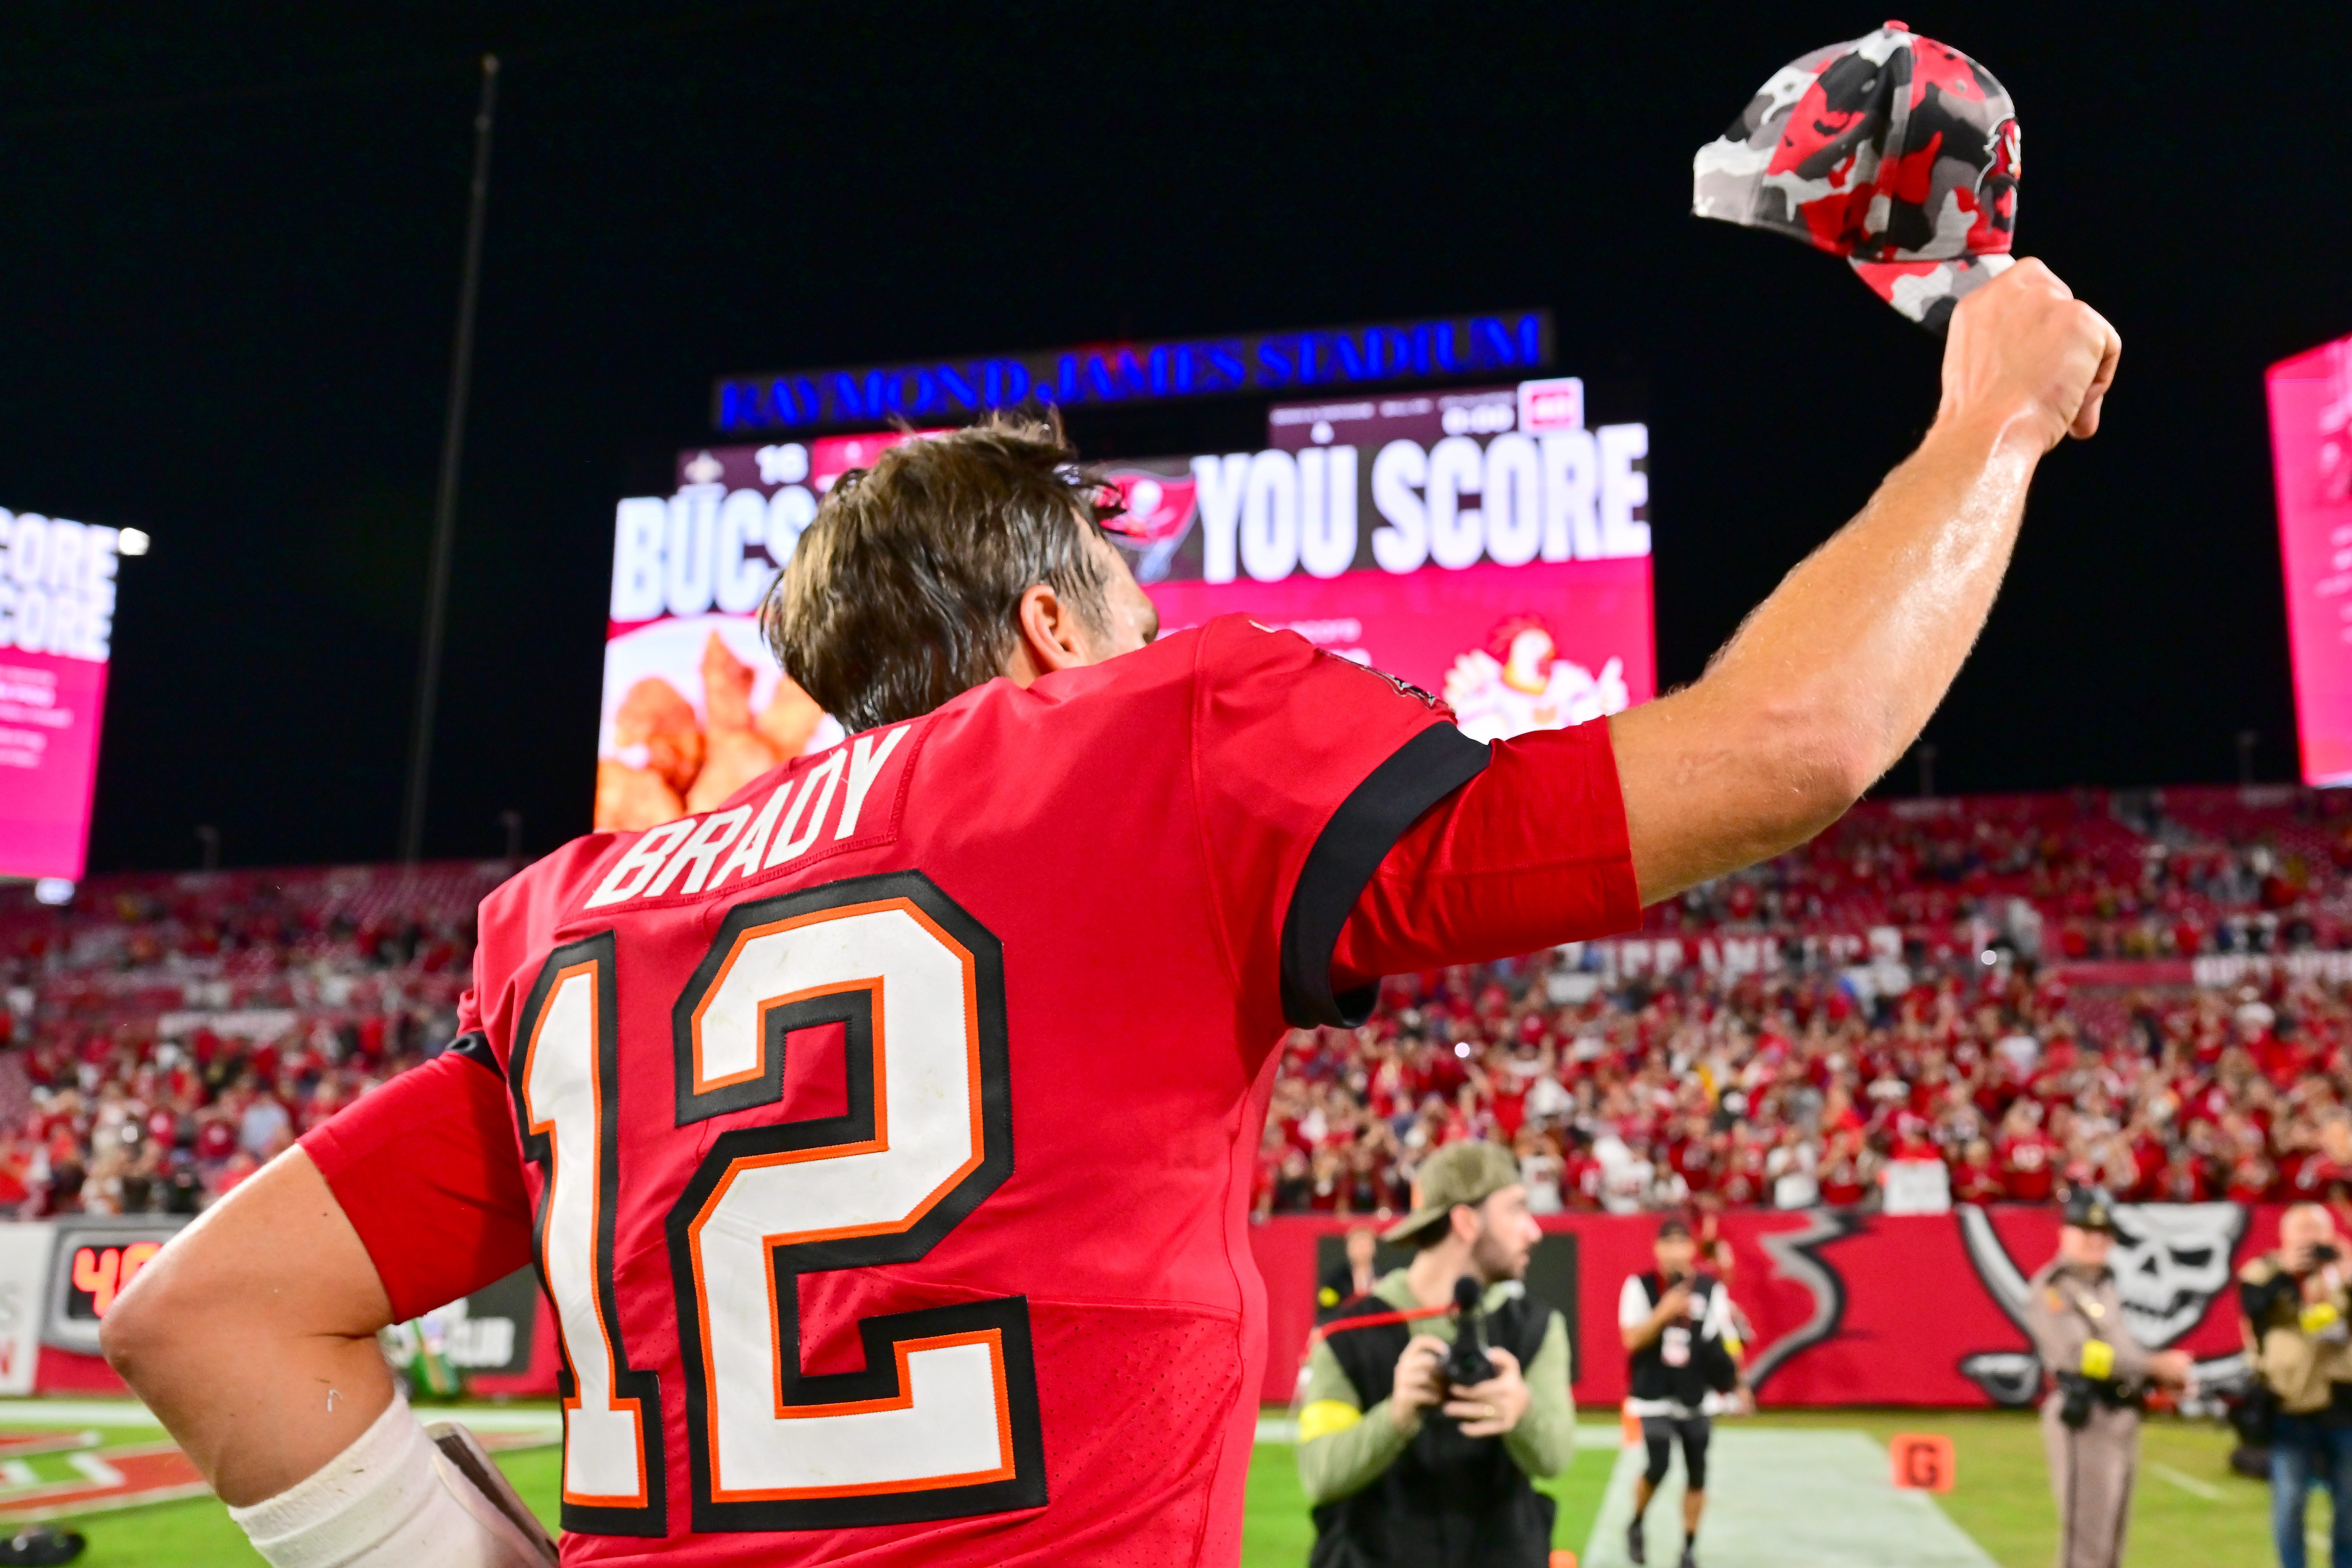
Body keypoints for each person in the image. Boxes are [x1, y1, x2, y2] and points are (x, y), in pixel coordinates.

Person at [100, 259, 2121, 1568]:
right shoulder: (1147, 736)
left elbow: (200, 1309)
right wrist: (1992, 413)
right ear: (1057, 630)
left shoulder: (573, 907)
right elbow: (1791, 743)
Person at [1293, 1142, 1572, 1567]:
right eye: (1516, 1209)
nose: (1534, 1230)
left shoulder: (1536, 1328)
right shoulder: (1347, 1336)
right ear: (1465, 1220)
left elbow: (1555, 1458)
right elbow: (1320, 1474)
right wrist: (1397, 1415)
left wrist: (1522, 1410)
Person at [2020, 1186, 2193, 1568]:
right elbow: (2079, 1355)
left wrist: (2155, 1376)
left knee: (2110, 1542)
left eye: (2104, 1233)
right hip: (2086, 1417)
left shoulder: (2102, 1285)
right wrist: (2151, 1366)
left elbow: (2119, 1352)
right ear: (2065, 1233)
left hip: (2119, 1413)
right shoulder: (2056, 1287)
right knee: (2085, 1545)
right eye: (2086, 1230)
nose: (2096, 1240)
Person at [1619, 1217, 1744, 1568]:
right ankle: (1637, 1522)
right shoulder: (1641, 1286)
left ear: (1691, 1248)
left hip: (1694, 1390)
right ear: (1657, 1248)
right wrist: (1664, 1313)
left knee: (1697, 1471)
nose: (1675, 1252)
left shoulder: (1709, 1289)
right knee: (1657, 1461)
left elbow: (1724, 1340)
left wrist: (1737, 1379)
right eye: (1668, 1244)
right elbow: (1631, 1339)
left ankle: (1689, 1548)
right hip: (1653, 1390)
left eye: (1681, 1244)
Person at [2240, 1202, 2352, 1568]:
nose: (2310, 1238)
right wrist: (2288, 1273)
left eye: (2316, 1229)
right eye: (2301, 1230)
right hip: (2289, 1402)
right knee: (2290, 1501)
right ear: (2285, 1237)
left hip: (2342, 1401)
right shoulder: (2265, 1271)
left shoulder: (2342, 1270)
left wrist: (2345, 1270)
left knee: (2350, 1501)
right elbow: (2253, 1305)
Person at [1319, 1226, 1383, 1319]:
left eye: (1366, 1245)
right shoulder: (1336, 1280)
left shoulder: (1385, 1278)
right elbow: (1326, 1309)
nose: (1362, 1250)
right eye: (1358, 1245)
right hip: (1347, 1327)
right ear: (1349, 1249)